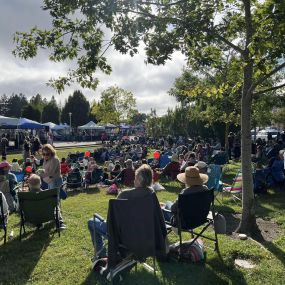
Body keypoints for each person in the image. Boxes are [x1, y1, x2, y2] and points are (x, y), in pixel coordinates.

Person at [87, 164, 157, 260]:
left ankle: (101, 255)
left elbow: (114, 220)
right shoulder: (151, 193)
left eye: (135, 178)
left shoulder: (125, 194)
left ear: (140, 179)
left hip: (122, 235)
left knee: (91, 222)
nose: (134, 180)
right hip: (143, 232)